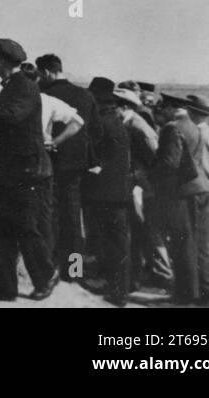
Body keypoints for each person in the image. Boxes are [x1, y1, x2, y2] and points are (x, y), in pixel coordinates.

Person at [0, 38, 57, 302]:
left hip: (27, 173)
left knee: (25, 228)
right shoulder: (13, 87)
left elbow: (10, 118)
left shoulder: (23, 87)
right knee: (2, 228)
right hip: (13, 171)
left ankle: (46, 276)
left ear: (4, 62)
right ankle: (3, 288)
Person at [37, 54, 96, 281]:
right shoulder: (86, 95)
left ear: (47, 72)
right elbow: (95, 131)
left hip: (50, 162)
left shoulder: (45, 95)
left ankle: (50, 267)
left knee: (49, 216)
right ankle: (74, 271)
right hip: (76, 167)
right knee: (73, 219)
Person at [150, 94, 209, 304]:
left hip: (182, 193)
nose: (160, 111)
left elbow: (169, 164)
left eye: (162, 107)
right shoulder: (194, 126)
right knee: (196, 243)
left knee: (182, 243)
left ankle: (184, 295)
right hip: (200, 189)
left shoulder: (171, 128)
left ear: (169, 108)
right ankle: (199, 291)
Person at [113, 87, 172, 291]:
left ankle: (158, 276)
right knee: (138, 232)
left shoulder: (137, 127)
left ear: (124, 107)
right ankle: (139, 275)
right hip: (136, 185)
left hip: (143, 187)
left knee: (143, 231)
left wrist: (141, 181)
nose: (112, 109)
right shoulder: (128, 123)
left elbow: (153, 158)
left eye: (115, 106)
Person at [84, 77, 131, 306]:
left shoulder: (102, 123)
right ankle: (116, 287)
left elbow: (91, 153)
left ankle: (118, 292)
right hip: (117, 193)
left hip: (106, 194)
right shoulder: (114, 119)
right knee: (116, 243)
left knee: (114, 244)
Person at [182, 94, 209, 303]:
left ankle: (205, 290)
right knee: (201, 243)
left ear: (192, 113)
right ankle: (205, 287)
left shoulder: (200, 135)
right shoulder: (208, 133)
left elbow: (203, 169)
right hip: (204, 192)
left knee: (198, 244)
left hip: (198, 192)